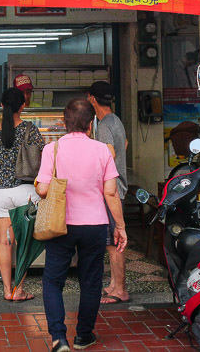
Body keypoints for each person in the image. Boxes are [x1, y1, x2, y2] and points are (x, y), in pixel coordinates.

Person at [36, 99, 127, 352]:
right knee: (90, 282)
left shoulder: (51, 150)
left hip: (60, 225)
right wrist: (120, 226)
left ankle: (58, 338)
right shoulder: (101, 151)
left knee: (53, 281)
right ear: (90, 124)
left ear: (64, 124)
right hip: (95, 225)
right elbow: (111, 193)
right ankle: (83, 336)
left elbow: (43, 189)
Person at [0, 87, 45, 301]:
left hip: (2, 194)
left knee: (4, 243)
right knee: (23, 243)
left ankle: (7, 290)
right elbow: (41, 156)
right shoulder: (29, 129)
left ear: (1, 104)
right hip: (25, 193)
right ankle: (19, 290)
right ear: (23, 105)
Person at [87, 81, 129, 304]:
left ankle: (119, 290)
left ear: (92, 98)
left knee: (114, 244)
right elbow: (125, 145)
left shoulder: (103, 124)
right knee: (113, 242)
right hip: (119, 186)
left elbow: (109, 153)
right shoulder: (115, 120)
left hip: (112, 189)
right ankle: (114, 284)